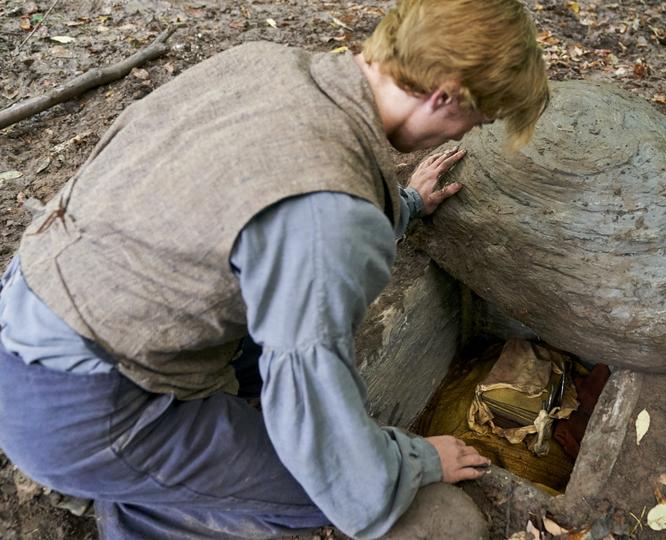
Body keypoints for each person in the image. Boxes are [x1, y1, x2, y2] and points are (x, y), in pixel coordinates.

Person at [0, 0, 549, 538]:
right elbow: (315, 406)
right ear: (444, 95)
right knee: (420, 511)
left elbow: (253, 198)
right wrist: (415, 460)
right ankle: (153, 510)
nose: (462, 135)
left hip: (36, 314)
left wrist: (401, 205)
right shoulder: (331, 217)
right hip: (79, 410)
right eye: (475, 120)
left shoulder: (262, 63)